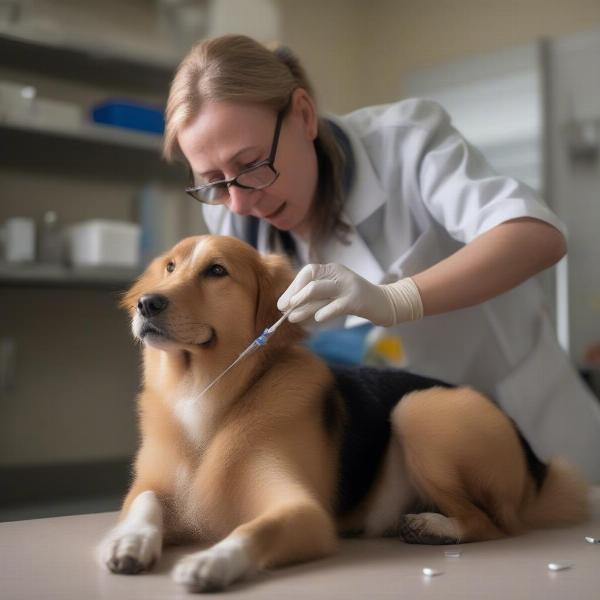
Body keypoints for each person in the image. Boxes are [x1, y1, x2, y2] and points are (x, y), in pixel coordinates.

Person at [163, 34, 600, 482]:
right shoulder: (236, 220)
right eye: (214, 181)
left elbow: (536, 235)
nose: (237, 202)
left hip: (523, 419)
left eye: (253, 164)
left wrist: (396, 300)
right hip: (404, 456)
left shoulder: (406, 144)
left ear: (304, 115)